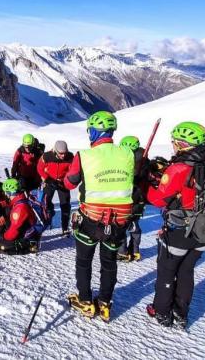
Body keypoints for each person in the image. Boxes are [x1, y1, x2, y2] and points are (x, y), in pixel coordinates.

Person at [64, 110, 134, 322]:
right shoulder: (128, 153)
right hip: (119, 221)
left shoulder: (83, 156)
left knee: (84, 262)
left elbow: (69, 183)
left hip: (91, 218)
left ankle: (85, 300)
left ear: (93, 132)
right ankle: (105, 303)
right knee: (109, 262)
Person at [145, 121, 205, 329]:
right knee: (186, 272)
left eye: (175, 142)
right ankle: (181, 314)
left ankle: (162, 312)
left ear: (183, 144)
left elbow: (158, 199)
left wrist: (144, 185)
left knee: (167, 271)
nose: (173, 145)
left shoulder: (179, 168)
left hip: (181, 230)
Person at [117, 135, 150, 261]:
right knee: (134, 225)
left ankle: (122, 252)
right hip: (139, 200)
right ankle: (134, 250)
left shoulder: (130, 162)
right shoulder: (144, 160)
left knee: (121, 227)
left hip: (127, 198)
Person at [0, 178, 42, 255]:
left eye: (6, 193)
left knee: (2, 246)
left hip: (27, 236)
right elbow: (10, 205)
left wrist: (4, 237)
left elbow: (15, 229)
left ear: (10, 192)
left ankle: (28, 246)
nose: (6, 195)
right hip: (28, 231)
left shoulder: (20, 208)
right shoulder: (21, 199)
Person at [37, 140, 74, 235]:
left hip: (62, 182)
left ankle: (65, 228)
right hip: (50, 181)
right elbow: (39, 168)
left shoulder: (70, 157)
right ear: (56, 151)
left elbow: (72, 171)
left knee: (65, 205)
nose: (63, 156)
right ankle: (45, 223)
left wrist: (67, 180)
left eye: (65, 153)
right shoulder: (47, 156)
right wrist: (47, 179)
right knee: (45, 204)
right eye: (61, 154)